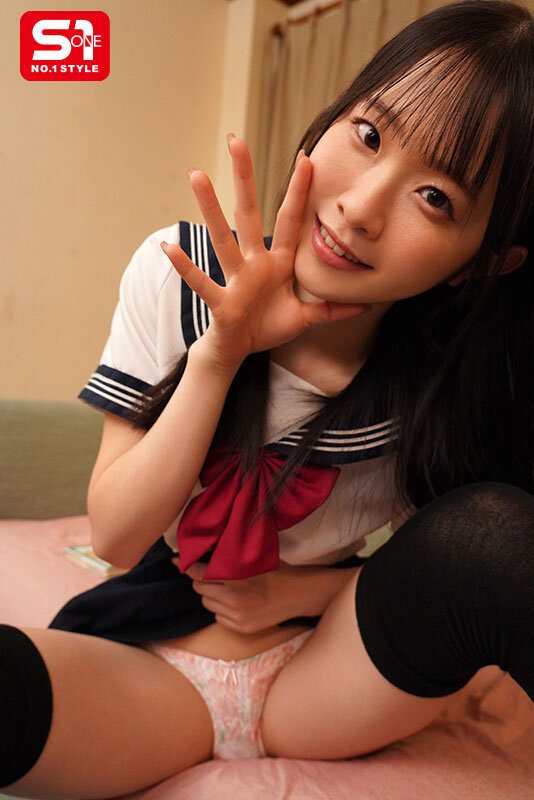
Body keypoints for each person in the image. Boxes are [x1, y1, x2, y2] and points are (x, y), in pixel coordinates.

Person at [2, 0, 533, 795]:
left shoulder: (450, 372)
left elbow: (439, 573)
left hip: (336, 676)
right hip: (148, 665)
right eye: (370, 135)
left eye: (436, 198)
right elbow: (114, 534)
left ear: (482, 262)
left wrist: (296, 591)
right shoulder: (179, 272)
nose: (361, 209)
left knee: (502, 537)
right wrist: (220, 355)